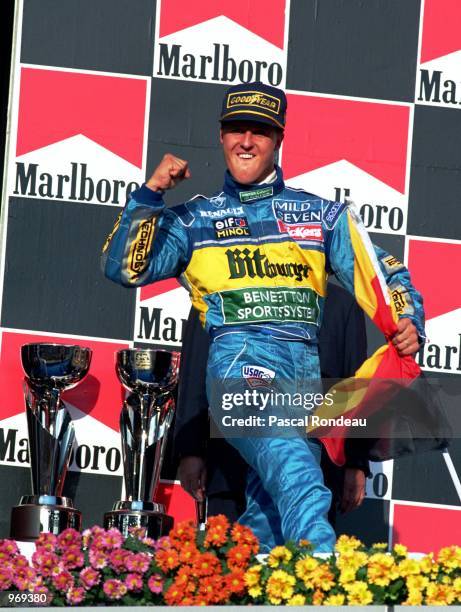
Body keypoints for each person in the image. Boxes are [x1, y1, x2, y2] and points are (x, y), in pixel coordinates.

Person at [102, 81, 424, 552]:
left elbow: (386, 271)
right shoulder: (195, 220)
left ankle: (251, 592)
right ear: (220, 136)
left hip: (306, 382)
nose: (246, 141)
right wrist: (150, 196)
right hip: (239, 367)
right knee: (302, 480)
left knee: (266, 526)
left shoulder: (321, 216)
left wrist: (407, 319)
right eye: (236, 129)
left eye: (260, 131)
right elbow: (123, 267)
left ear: (279, 139)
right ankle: (327, 581)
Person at [175, 282, 371, 527]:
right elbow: (195, 372)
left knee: (303, 563)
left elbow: (352, 389)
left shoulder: (341, 302)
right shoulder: (218, 286)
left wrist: (355, 462)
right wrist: (190, 451)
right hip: (232, 471)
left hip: (311, 477)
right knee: (228, 561)